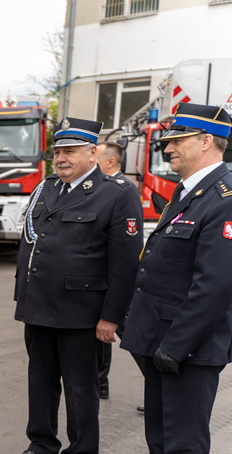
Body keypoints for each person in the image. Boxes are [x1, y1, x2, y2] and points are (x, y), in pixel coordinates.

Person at [116, 103, 232, 454]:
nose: (168, 150)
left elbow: (215, 286)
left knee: (184, 435)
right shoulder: (188, 192)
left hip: (189, 345)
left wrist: (176, 344)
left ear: (206, 141)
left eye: (177, 141)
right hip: (161, 338)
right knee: (160, 428)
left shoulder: (224, 197)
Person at [11, 117, 142, 454]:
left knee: (81, 389)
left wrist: (111, 317)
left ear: (92, 152)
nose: (61, 159)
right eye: (57, 152)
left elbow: (124, 262)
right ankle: (42, 442)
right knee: (40, 381)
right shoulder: (48, 188)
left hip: (82, 313)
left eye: (69, 151)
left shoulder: (116, 193)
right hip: (39, 307)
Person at [95, 141, 144, 400]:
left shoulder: (123, 189)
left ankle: (159, 386)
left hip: (117, 281)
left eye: (97, 157)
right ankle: (100, 383)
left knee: (130, 334)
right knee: (102, 335)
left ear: (110, 162)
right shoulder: (103, 187)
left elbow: (127, 245)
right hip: (101, 280)